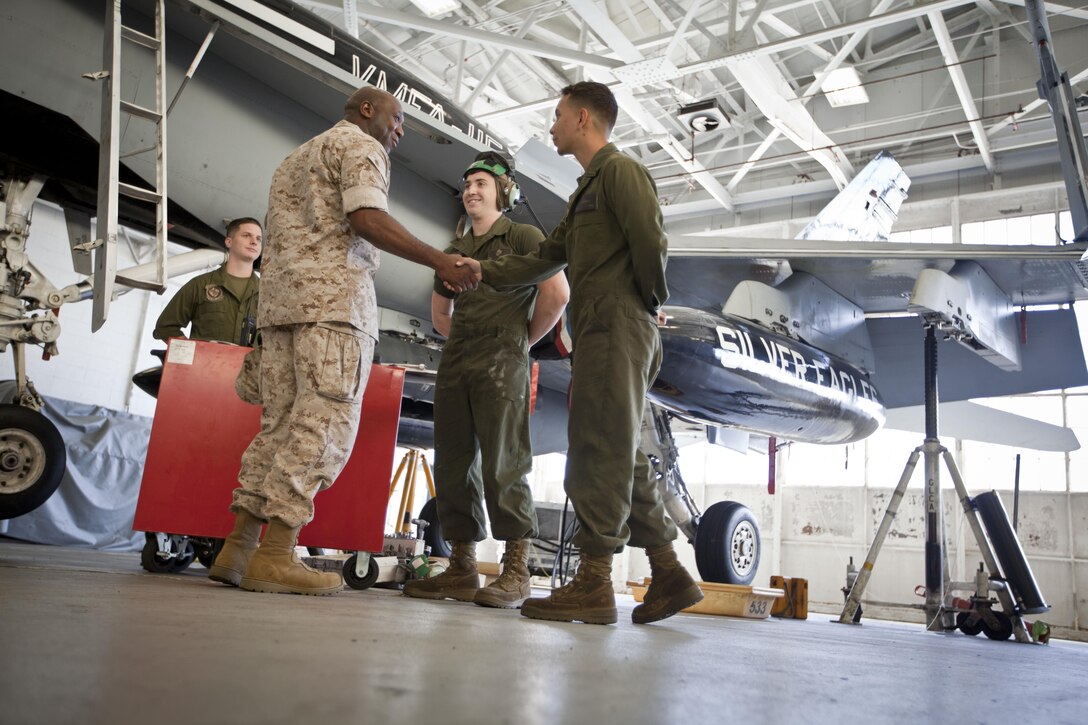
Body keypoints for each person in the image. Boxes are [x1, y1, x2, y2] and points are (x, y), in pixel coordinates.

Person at [207, 86, 479, 596]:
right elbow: (366, 219)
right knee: (323, 424)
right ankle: (275, 555)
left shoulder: (295, 157)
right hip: (333, 309)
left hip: (282, 309)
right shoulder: (361, 146)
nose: (399, 131)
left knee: (279, 425)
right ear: (368, 110)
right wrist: (440, 261)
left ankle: (237, 549)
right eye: (397, 119)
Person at [457, 82, 703, 625]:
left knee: (596, 451)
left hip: (618, 323)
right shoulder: (585, 190)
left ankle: (594, 581)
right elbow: (547, 256)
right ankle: (668, 572)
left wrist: (644, 304)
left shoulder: (620, 172)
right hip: (597, 328)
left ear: (584, 119)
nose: (552, 125)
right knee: (618, 451)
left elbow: (651, 242)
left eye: (558, 115)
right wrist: (484, 269)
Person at [403, 152, 569, 609]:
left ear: (504, 191)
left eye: (482, 183)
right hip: (457, 360)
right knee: (453, 462)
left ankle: (516, 569)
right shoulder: (454, 250)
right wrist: (466, 340)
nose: (472, 190)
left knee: (504, 462)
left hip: (503, 358)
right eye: (468, 183)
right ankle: (462, 567)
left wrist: (520, 340)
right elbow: (440, 316)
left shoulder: (522, 236)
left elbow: (557, 294)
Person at [152, 217, 263, 346]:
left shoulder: (268, 295)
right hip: (207, 365)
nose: (254, 242)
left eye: (259, 239)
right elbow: (166, 327)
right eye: (246, 235)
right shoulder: (200, 286)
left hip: (251, 366)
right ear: (229, 241)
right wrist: (193, 353)